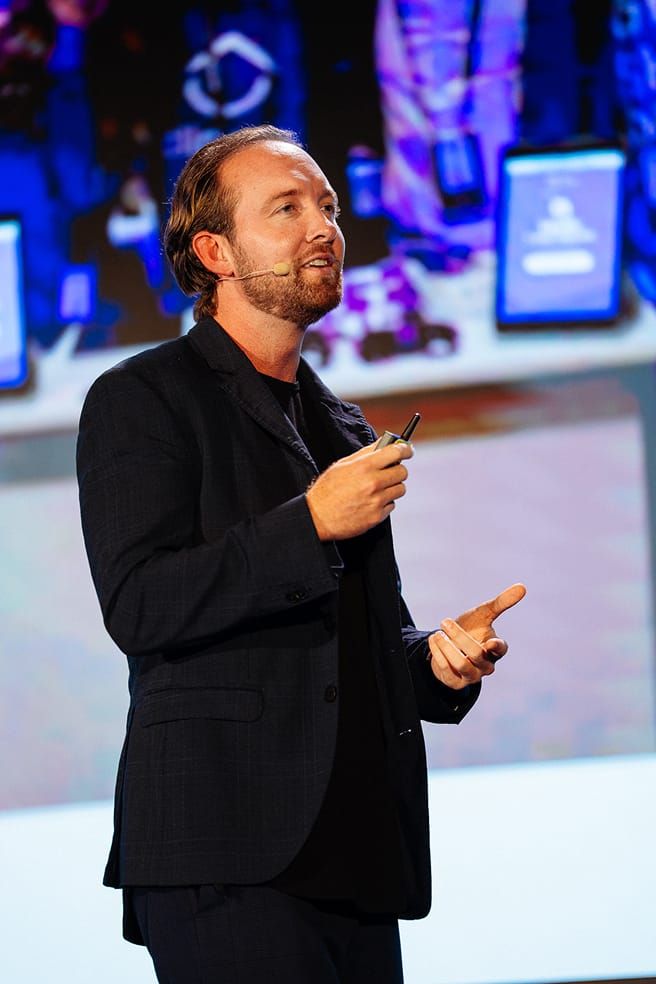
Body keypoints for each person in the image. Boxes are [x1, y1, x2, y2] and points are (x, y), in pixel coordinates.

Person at [76, 123, 526, 983]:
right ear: (215, 251)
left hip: (356, 856)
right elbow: (140, 603)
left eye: (326, 205)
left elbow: (360, 646)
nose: (323, 226)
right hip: (227, 855)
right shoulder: (141, 398)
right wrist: (309, 522)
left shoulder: (339, 424)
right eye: (285, 208)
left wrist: (438, 661)